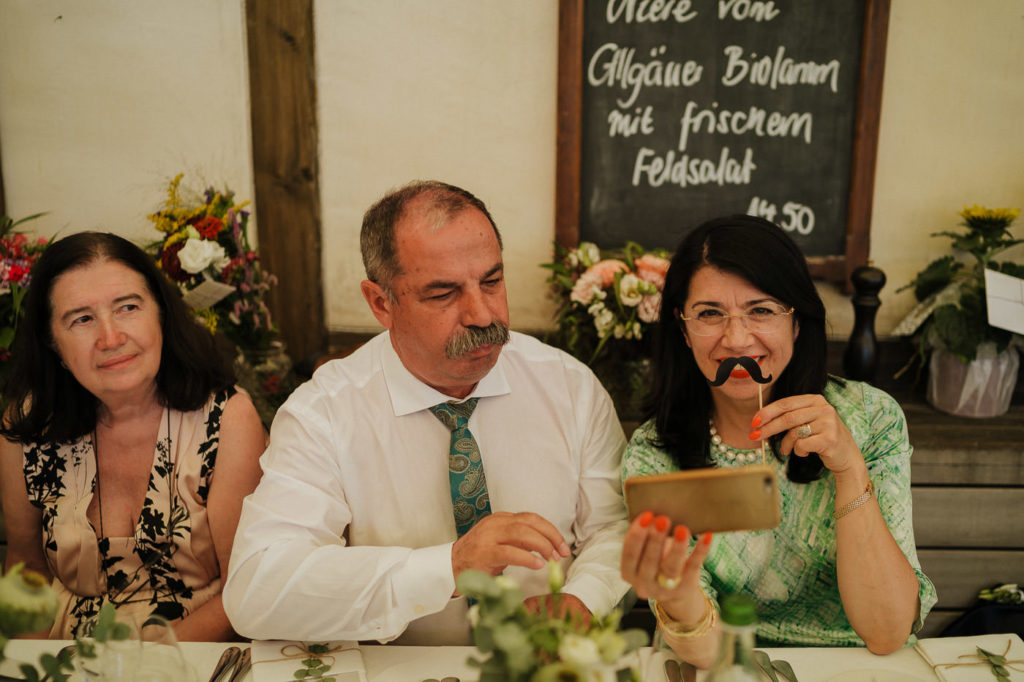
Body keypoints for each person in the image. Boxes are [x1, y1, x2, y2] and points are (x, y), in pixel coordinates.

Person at [223, 180, 630, 645]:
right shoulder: (325, 412)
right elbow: (257, 591)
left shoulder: (568, 387)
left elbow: (614, 528)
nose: (482, 314)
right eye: (443, 294)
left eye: (492, 281)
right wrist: (447, 568)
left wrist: (584, 597)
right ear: (381, 303)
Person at [619, 215, 936, 668]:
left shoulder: (871, 418)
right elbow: (708, 652)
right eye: (710, 314)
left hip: (855, 667)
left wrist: (848, 468)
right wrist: (678, 592)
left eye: (761, 310)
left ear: (797, 322)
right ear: (683, 329)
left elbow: (887, 632)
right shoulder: (655, 453)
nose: (736, 338)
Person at [0, 232, 266, 640]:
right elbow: (26, 569)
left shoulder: (226, 418)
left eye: (127, 308)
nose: (111, 339)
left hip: (193, 653)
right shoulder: (29, 424)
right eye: (82, 319)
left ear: (160, 313)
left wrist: (140, 666)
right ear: (53, 343)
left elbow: (246, 588)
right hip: (67, 655)